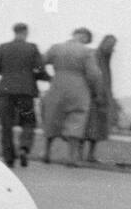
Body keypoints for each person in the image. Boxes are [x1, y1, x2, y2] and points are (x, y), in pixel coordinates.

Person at [41, 28, 104, 167]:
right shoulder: (87, 52)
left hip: (57, 85)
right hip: (79, 87)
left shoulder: (56, 48)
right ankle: (71, 158)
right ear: (85, 37)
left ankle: (46, 153)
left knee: (52, 118)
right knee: (76, 119)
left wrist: (48, 77)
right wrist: (95, 91)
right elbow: (94, 74)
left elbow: (40, 62)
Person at [0, 23, 48, 168]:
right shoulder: (32, 48)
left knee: (6, 124)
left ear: (14, 31)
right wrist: (43, 77)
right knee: (28, 121)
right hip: (26, 91)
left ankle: (9, 157)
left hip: (6, 90)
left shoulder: (3, 47)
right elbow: (40, 69)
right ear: (26, 32)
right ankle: (24, 148)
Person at [82, 34, 117, 163]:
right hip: (93, 96)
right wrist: (96, 93)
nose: (112, 49)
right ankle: (79, 153)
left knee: (98, 127)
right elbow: (93, 76)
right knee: (87, 125)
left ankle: (90, 155)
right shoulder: (95, 56)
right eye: (111, 45)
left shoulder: (106, 59)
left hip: (103, 97)